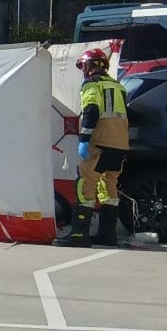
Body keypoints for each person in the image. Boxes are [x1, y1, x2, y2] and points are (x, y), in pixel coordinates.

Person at [64, 47, 130, 248]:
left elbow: (91, 110)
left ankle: (79, 235)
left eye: (83, 66)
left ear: (89, 66)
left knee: (86, 185)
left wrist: (84, 139)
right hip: (120, 145)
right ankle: (107, 236)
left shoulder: (92, 85)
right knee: (109, 188)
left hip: (100, 143)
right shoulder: (118, 86)